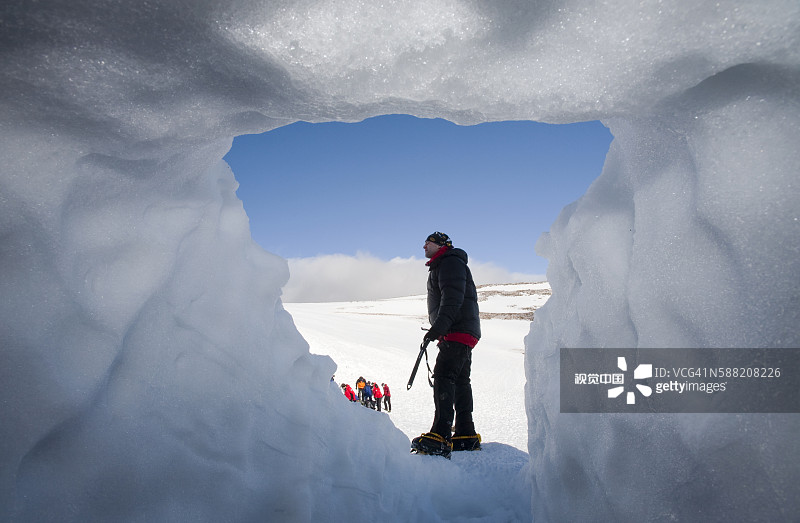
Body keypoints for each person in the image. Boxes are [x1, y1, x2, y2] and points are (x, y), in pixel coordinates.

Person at [410, 232, 482, 458]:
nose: (423, 246)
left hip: (456, 329)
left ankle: (440, 435)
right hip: (462, 330)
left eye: (427, 243)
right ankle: (465, 434)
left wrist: (440, 327)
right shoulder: (449, 262)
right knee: (460, 380)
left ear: (440, 245)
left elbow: (452, 297)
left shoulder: (449, 262)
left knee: (443, 376)